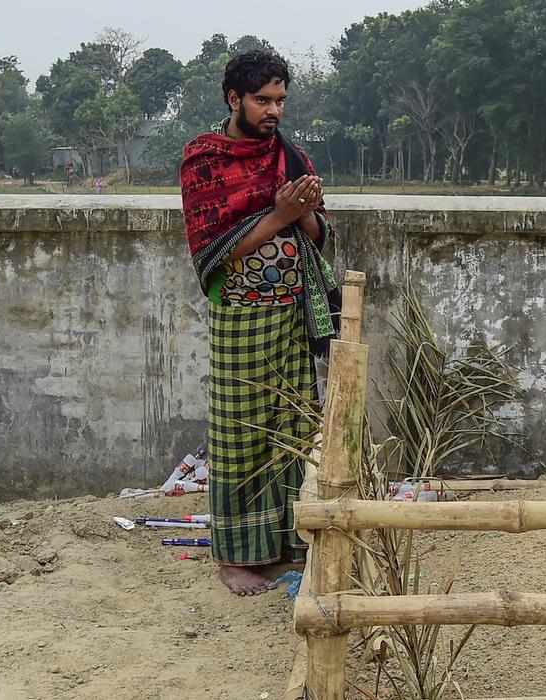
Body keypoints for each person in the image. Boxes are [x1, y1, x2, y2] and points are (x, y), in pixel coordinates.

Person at [178, 49, 338, 596]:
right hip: (242, 318)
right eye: (262, 100)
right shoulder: (205, 160)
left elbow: (317, 238)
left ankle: (285, 547)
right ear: (234, 99)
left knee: (293, 429)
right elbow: (213, 251)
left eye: (280, 101)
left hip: (291, 315)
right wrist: (280, 216)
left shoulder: (291, 159)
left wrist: (307, 213)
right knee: (240, 432)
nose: (273, 111)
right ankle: (235, 558)